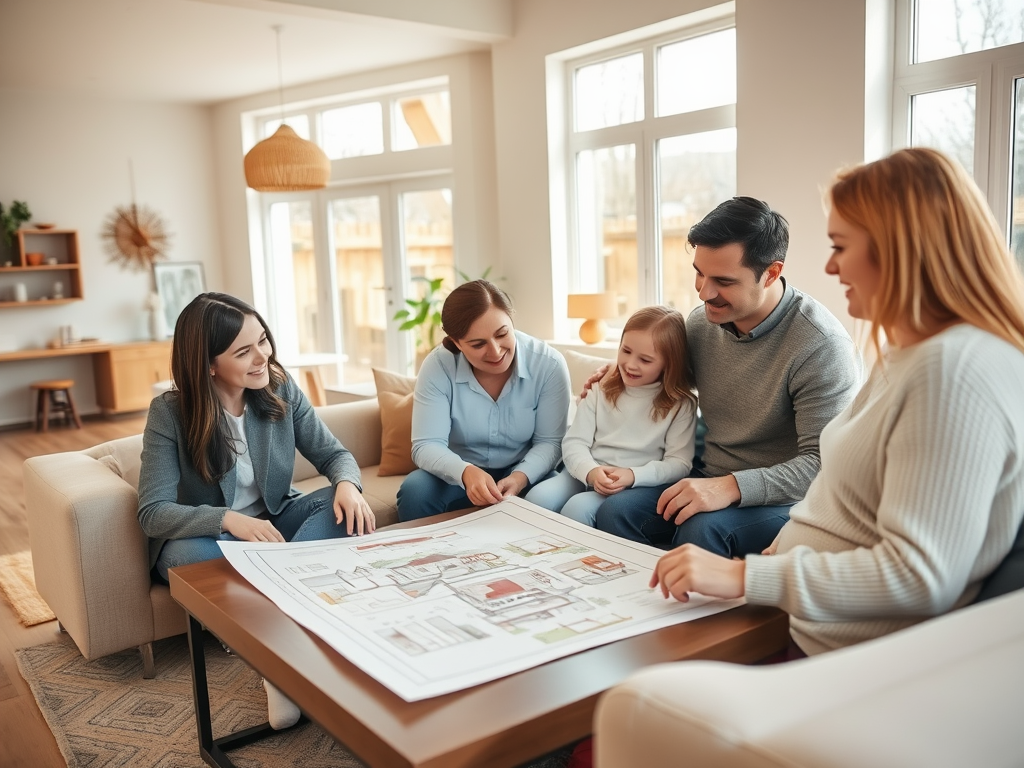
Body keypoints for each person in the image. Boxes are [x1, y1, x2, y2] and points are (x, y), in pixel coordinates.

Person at [650, 147, 1024, 657]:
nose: (829, 265)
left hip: (832, 652)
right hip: (804, 620)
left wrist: (745, 576)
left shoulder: (952, 372)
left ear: (901, 250)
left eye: (841, 245)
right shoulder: (911, 352)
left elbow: (919, 576)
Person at [137, 291, 375, 728]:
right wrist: (228, 519)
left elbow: (334, 454)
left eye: (262, 340)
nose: (262, 356)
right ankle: (285, 655)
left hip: (275, 529)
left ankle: (276, 638)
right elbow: (153, 512)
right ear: (208, 364)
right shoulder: (169, 413)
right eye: (243, 351)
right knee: (182, 557)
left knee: (344, 512)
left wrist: (347, 484)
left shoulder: (279, 388)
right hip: (215, 538)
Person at [590, 196, 860, 558]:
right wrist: (618, 372)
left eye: (723, 281)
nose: (704, 292)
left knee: (700, 530)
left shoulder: (820, 346)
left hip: (785, 497)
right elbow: (667, 379)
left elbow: (823, 463)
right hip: (709, 475)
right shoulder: (702, 323)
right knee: (616, 512)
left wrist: (731, 486)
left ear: (772, 273)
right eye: (699, 273)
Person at [397, 279, 571, 520]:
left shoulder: (549, 365)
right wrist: (465, 472)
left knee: (549, 494)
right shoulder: (438, 366)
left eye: (502, 334)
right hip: (459, 472)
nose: (496, 351)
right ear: (456, 343)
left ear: (511, 322)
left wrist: (519, 478)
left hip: (524, 468)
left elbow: (550, 442)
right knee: (416, 491)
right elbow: (426, 445)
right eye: (478, 344)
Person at [525, 306, 697, 527]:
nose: (631, 364)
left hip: (629, 484)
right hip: (584, 472)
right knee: (535, 501)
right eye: (626, 351)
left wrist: (632, 475)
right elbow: (575, 441)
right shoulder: (602, 385)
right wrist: (591, 471)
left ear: (669, 363)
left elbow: (679, 463)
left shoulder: (681, 404)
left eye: (645, 360)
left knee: (577, 509)